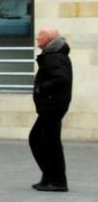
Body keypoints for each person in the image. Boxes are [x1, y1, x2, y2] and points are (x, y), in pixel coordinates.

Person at [30, 27, 72, 192]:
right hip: (52, 106)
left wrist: (41, 88)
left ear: (48, 39)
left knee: (44, 141)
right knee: (42, 140)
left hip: (52, 106)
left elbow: (62, 78)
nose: (37, 38)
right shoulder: (55, 54)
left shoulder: (54, 56)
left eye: (40, 36)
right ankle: (49, 177)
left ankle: (57, 180)